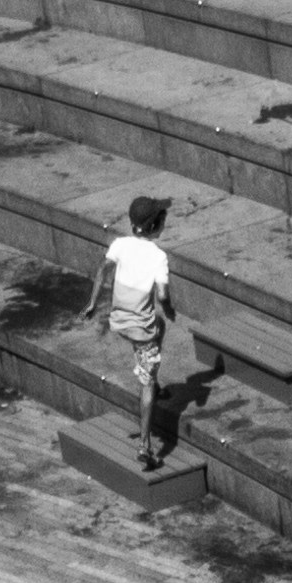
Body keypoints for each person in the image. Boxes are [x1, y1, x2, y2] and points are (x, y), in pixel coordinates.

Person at [83, 194, 176, 469]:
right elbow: (161, 295)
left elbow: (102, 271)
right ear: (156, 225)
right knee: (146, 379)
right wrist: (169, 308)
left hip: (118, 321)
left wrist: (91, 304)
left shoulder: (120, 244)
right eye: (163, 218)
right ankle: (145, 446)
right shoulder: (158, 257)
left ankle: (152, 377)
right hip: (140, 329)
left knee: (159, 326)